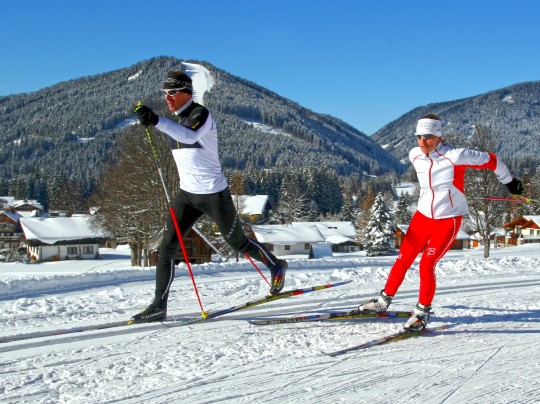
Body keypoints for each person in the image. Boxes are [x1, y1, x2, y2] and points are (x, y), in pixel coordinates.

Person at [130, 71, 287, 324]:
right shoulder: (177, 121)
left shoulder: (200, 114)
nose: (167, 98)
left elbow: (190, 136)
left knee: (238, 243)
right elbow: (178, 135)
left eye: (172, 93)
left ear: (186, 93)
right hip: (187, 196)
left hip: (214, 194)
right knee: (166, 248)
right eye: (164, 94)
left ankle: (276, 265)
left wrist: (156, 121)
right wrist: (154, 121)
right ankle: (159, 305)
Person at [358, 114, 524, 331]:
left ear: (438, 136)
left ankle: (421, 313)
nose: (422, 141)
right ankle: (383, 301)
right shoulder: (414, 154)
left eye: (427, 136)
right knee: (403, 258)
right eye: (418, 136)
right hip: (422, 217)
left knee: (427, 264)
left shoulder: (456, 155)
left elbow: (493, 160)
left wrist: (512, 184)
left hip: (448, 220)